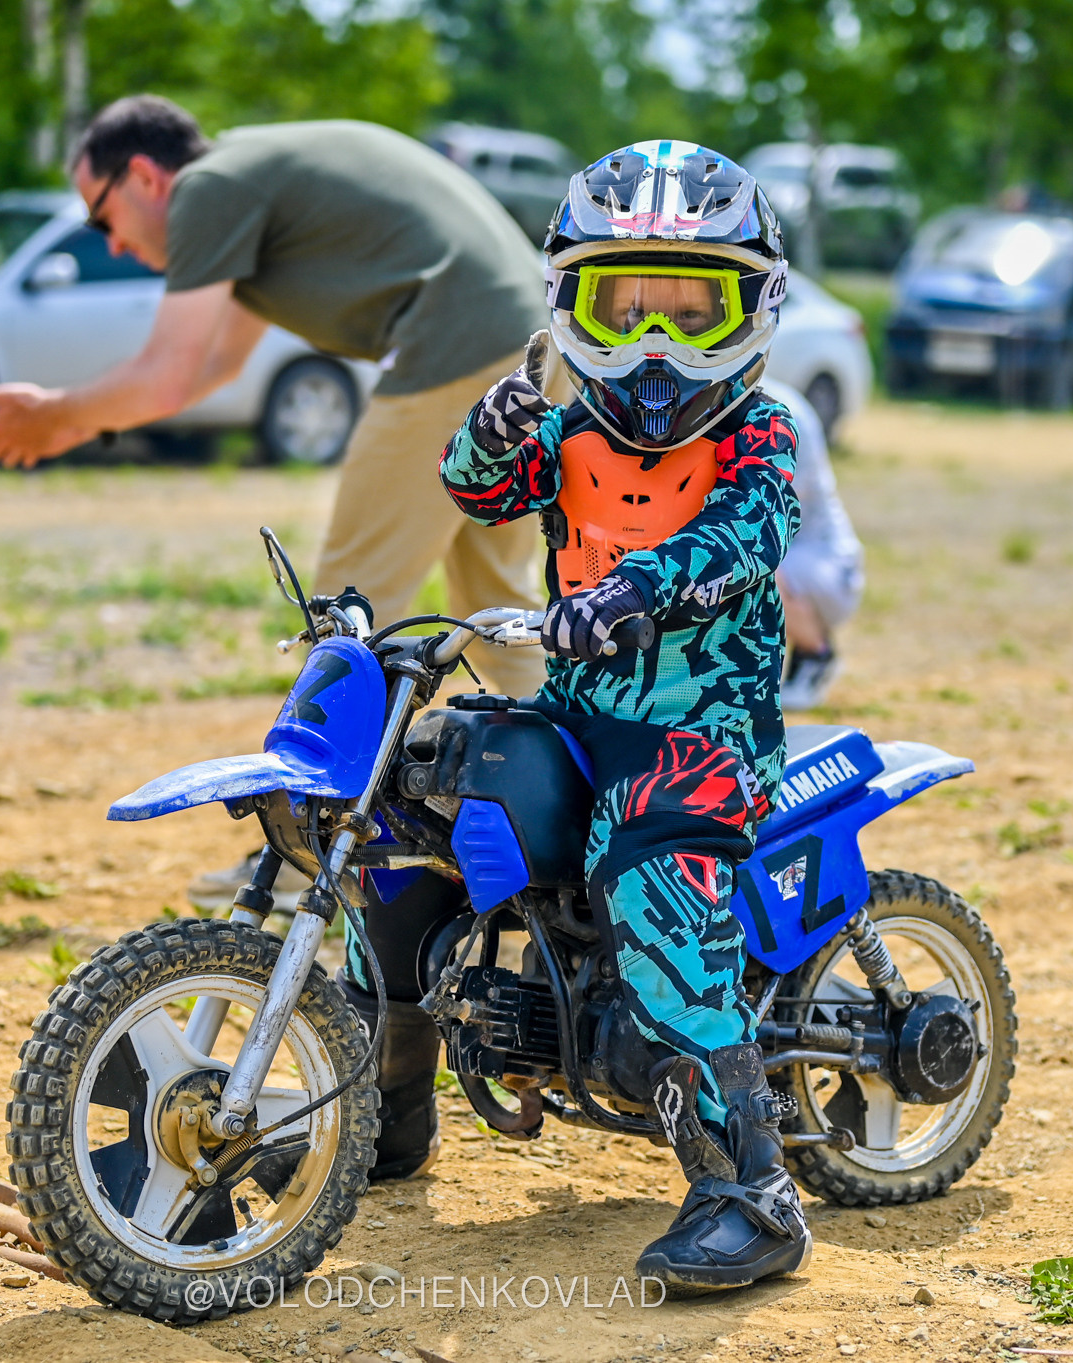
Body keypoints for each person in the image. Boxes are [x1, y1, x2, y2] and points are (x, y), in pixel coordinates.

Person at [437, 141, 810, 1291]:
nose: (655, 345)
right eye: (623, 306)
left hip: (700, 736)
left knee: (649, 883)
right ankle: (385, 1104)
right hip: (574, 704)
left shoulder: (760, 432)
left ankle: (750, 1194)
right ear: (570, 305)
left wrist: (638, 588)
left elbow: (746, 532)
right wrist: (493, 426)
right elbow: (476, 490)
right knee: (432, 800)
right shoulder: (569, 432)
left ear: (752, 307)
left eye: (691, 312)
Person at [0, 95, 549, 697]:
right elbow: (212, 368)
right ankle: (566, 749)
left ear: (142, 176)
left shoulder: (207, 188)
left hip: (453, 349)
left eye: (101, 217)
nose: (111, 245)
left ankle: (323, 761)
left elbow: (167, 373)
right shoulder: (243, 181)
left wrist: (50, 410)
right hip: (531, 346)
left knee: (353, 610)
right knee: (496, 607)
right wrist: (72, 425)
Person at [765, 379, 862, 711]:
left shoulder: (781, 407)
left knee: (752, 566)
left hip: (829, 565)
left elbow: (787, 493)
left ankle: (817, 654)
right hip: (799, 557)